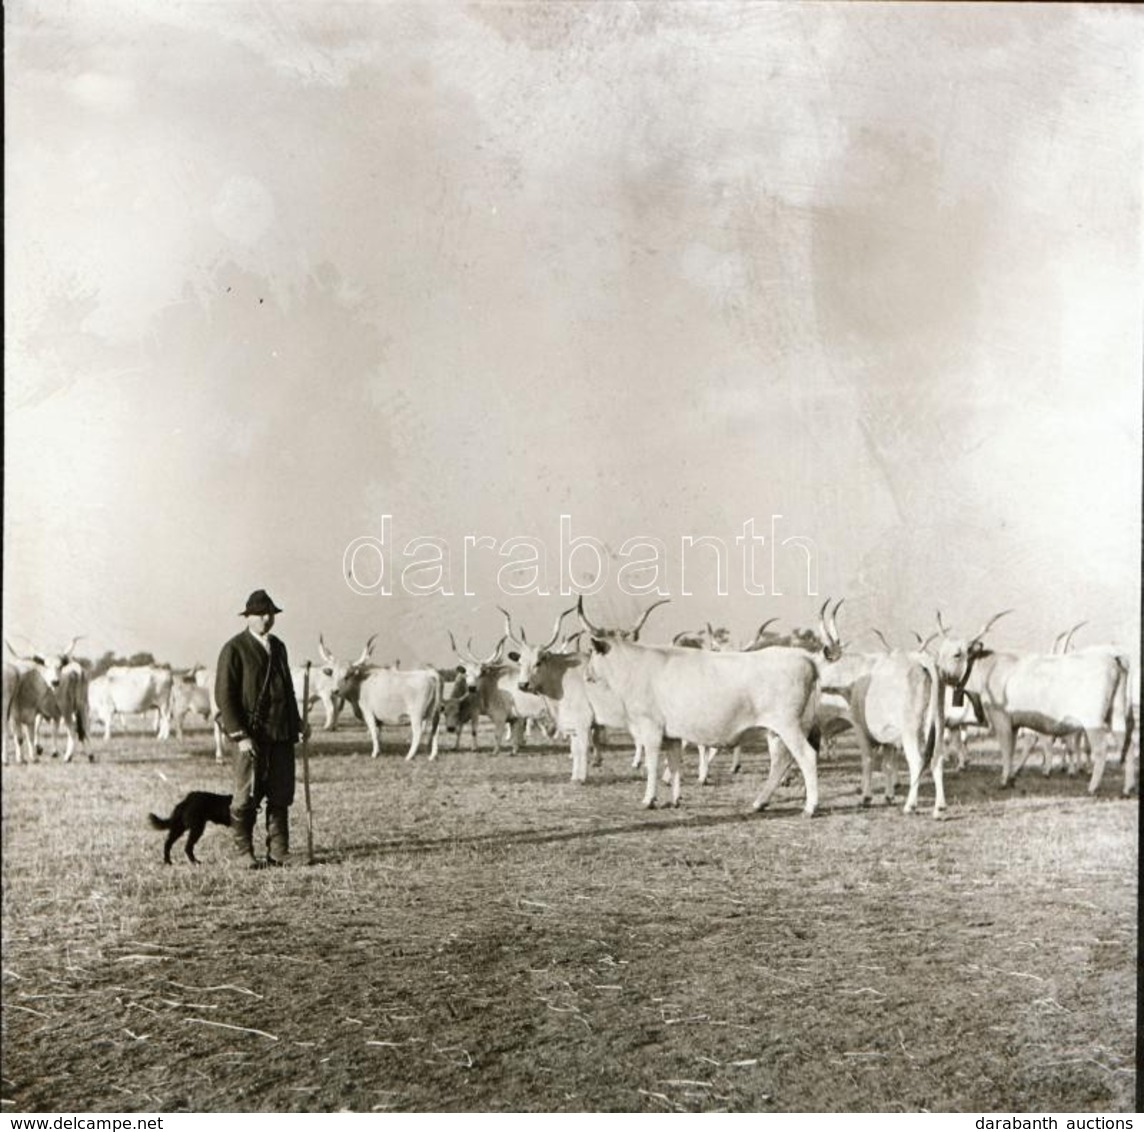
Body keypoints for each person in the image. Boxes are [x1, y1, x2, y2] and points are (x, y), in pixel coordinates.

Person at [215, 590, 309, 869]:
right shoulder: (234, 648)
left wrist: (298, 722)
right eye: (260, 614)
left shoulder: (279, 647)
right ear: (249, 617)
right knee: (246, 794)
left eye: (270, 614)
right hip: (250, 735)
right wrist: (240, 736)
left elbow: (288, 691)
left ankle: (279, 852)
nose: (266, 619)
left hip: (281, 732)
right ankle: (243, 853)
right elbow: (225, 696)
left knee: (281, 793)